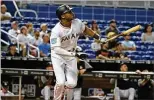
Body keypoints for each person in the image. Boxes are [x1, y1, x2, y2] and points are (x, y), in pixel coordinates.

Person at [50, 4, 100, 100]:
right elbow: (56, 49)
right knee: (60, 82)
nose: (71, 13)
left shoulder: (77, 22)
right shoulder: (56, 31)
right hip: (58, 55)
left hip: (71, 55)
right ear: (63, 16)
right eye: (68, 12)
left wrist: (98, 37)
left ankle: (63, 89)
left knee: (72, 83)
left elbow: (86, 30)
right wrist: (73, 54)